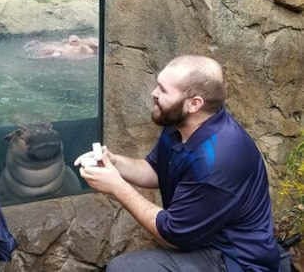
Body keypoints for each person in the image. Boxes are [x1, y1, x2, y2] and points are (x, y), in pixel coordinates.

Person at [75, 55, 281, 271]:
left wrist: (117, 187)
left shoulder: (217, 158)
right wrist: (113, 162)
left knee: (125, 268)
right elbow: (155, 170)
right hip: (202, 238)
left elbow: (172, 235)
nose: (153, 93)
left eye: (163, 90)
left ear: (194, 104)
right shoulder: (180, 125)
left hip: (236, 259)